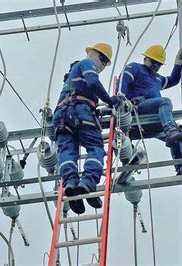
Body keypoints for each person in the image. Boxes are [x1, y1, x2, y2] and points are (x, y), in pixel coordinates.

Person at [53, 43, 123, 214]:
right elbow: (93, 81)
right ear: (97, 56)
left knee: (67, 151)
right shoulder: (86, 64)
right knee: (95, 148)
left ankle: (71, 183)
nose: (102, 66)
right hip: (80, 111)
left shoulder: (69, 80)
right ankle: (88, 183)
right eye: (104, 61)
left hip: (61, 115)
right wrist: (109, 100)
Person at [118, 44, 182, 176]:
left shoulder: (157, 79)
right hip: (137, 109)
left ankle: (181, 168)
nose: (155, 66)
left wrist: (178, 61)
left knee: (176, 139)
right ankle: (170, 131)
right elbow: (124, 79)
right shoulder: (136, 68)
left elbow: (173, 80)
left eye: (158, 64)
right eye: (153, 62)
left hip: (153, 119)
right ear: (145, 58)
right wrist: (121, 98)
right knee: (165, 102)